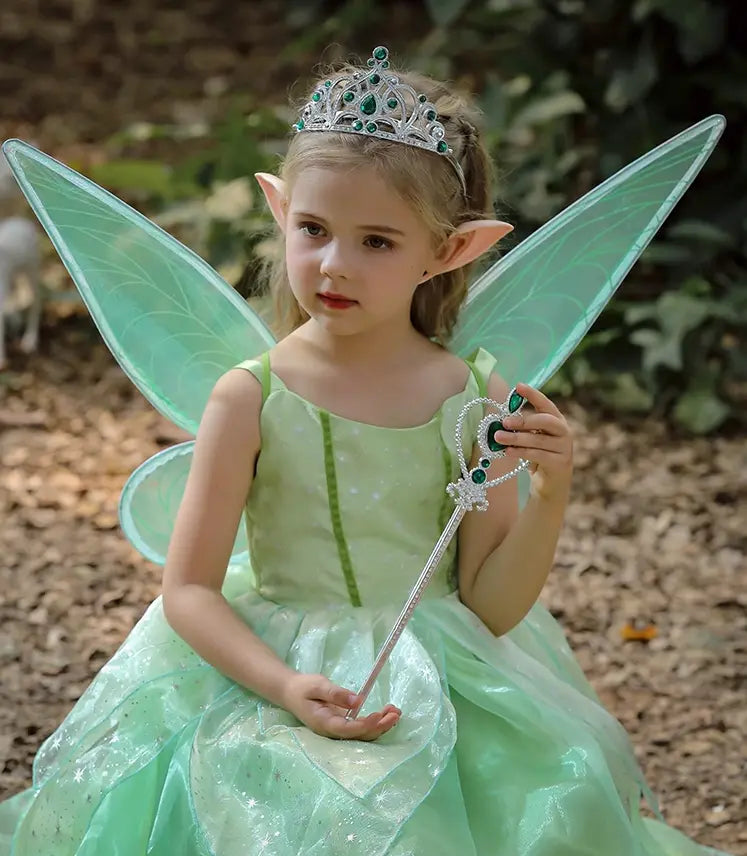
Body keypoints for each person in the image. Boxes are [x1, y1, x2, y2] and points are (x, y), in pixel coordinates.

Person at [0, 46, 730, 856]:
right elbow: (190, 592)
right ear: (279, 211)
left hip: (443, 676)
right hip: (270, 675)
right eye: (313, 229)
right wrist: (283, 687)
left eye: (377, 242)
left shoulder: (473, 399)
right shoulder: (250, 396)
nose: (334, 265)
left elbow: (488, 607)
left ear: (449, 251)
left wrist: (550, 493)